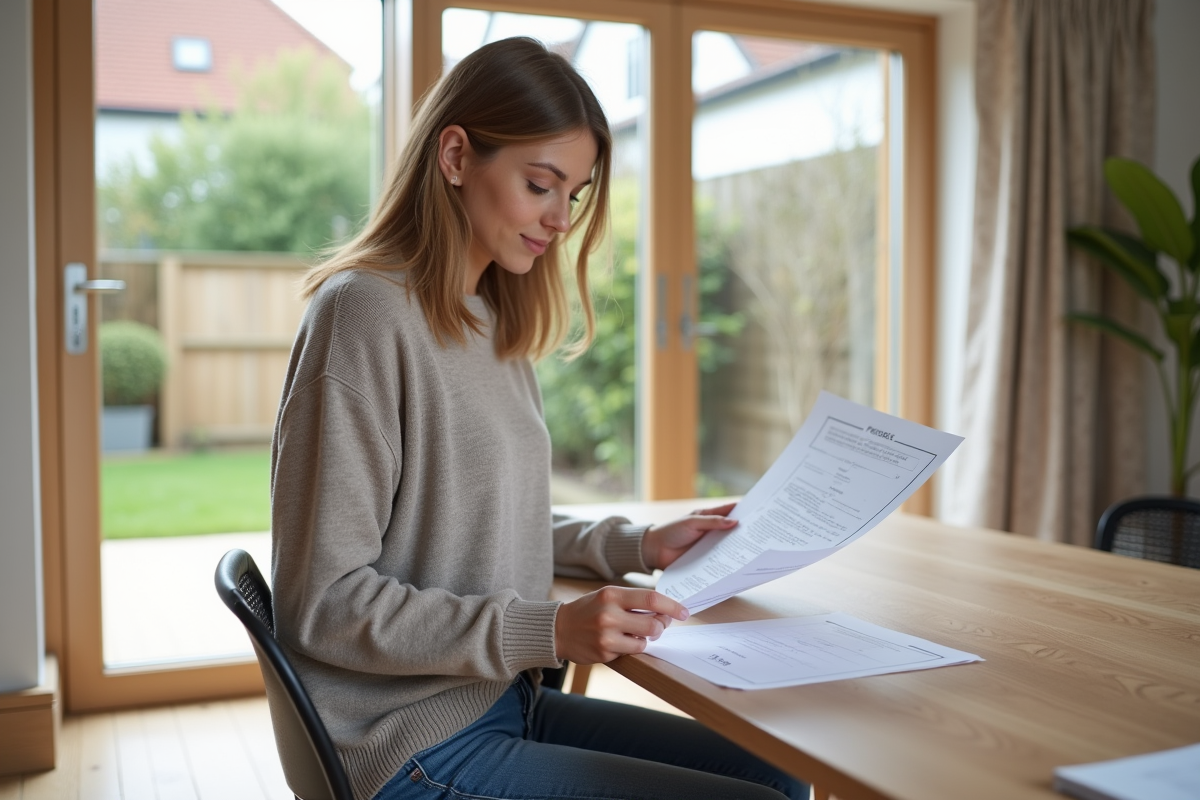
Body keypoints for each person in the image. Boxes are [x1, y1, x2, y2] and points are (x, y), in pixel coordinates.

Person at [270, 36, 808, 800]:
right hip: (408, 746)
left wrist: (637, 542)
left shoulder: (488, 316)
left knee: (778, 771)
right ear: (455, 156)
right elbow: (325, 603)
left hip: (494, 702)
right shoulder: (363, 314)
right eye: (540, 185)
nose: (560, 219)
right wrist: (547, 630)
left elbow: (480, 525)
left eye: (574, 195)